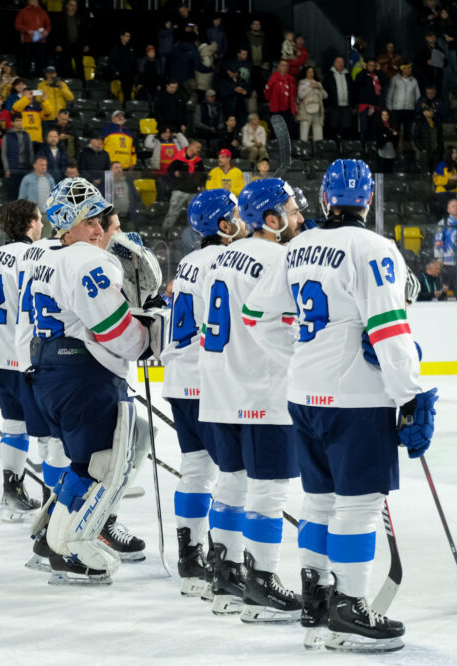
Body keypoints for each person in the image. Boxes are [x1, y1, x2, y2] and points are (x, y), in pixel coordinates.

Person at [283, 159, 434, 651]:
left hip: (303, 395)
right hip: (355, 399)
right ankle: (350, 608)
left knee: (319, 501)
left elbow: (259, 316)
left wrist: (308, 353)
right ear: (368, 201)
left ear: (326, 199)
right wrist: (409, 392)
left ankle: (317, 599)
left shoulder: (297, 246)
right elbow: (390, 328)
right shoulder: (373, 246)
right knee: (361, 505)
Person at [27, 178, 162, 583]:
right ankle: (67, 551)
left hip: (50, 370)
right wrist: (149, 335)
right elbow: (113, 329)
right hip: (84, 374)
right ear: (69, 228)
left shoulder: (47, 258)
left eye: (101, 219)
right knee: (103, 464)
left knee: (84, 462)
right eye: (90, 222)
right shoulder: (89, 259)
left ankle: (47, 538)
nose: (99, 229)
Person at [197, 177, 303, 619]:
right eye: (295, 211)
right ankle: (261, 583)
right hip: (262, 387)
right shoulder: (282, 258)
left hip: (219, 388)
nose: (301, 218)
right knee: (268, 491)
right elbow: (290, 327)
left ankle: (224, 578)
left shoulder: (219, 259)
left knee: (232, 483)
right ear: (273, 220)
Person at [162, 188, 247, 597]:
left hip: (179, 379)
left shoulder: (189, 261)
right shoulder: (226, 260)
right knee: (234, 475)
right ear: (224, 224)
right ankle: (224, 560)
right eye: (236, 214)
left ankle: (190, 557)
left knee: (195, 469)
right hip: (211, 383)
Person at [0, 199, 47, 521]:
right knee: (48, 432)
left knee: (13, 425)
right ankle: (54, 504)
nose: (43, 224)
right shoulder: (33, 254)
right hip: (23, 355)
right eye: (39, 219)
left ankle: (12, 491)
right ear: (30, 223)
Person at [163, 139, 205, 229]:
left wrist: (202, 186)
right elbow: (169, 172)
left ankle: (191, 234)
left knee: (192, 215)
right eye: (197, 147)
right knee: (172, 214)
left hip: (193, 192)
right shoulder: (178, 158)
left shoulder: (199, 162)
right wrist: (174, 174)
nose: (199, 150)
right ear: (190, 146)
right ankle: (165, 233)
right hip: (179, 191)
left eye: (200, 148)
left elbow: (202, 176)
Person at [15, 0, 51, 77]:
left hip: (41, 41)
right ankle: (25, 82)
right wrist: (27, 31)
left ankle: (39, 82)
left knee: (40, 63)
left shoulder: (43, 12)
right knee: (26, 62)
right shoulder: (23, 12)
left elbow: (48, 25)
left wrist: (46, 32)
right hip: (28, 41)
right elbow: (17, 25)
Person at [324, 56, 354, 140]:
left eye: (342, 62)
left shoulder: (348, 75)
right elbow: (325, 90)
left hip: (346, 106)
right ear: (334, 63)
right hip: (334, 106)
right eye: (338, 62)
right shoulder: (329, 75)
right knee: (333, 127)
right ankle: (334, 146)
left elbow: (352, 89)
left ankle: (345, 146)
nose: (340, 64)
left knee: (346, 127)